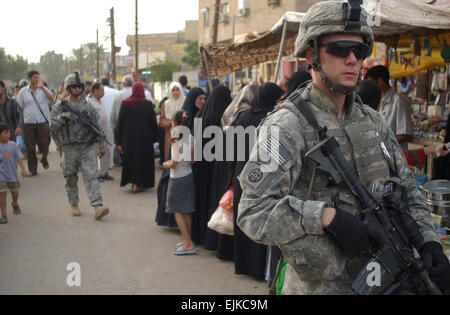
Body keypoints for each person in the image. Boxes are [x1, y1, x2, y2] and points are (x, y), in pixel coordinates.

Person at [237, 0, 449, 295]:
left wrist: (429, 243)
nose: (352, 59)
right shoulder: (287, 126)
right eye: (339, 49)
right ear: (311, 55)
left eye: (360, 50)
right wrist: (325, 217)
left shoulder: (374, 122)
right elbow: (253, 211)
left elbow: (409, 192)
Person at [229, 82, 284, 279]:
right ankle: (260, 268)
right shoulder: (273, 119)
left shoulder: (243, 117)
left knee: (244, 218)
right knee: (260, 218)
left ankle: (243, 265)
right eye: (278, 98)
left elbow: (231, 148)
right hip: (263, 178)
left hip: (241, 173)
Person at [50, 73, 110, 220]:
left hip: (86, 147)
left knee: (91, 176)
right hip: (69, 147)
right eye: (73, 86)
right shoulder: (60, 107)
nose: (76, 89)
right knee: (70, 177)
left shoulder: (87, 105)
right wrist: (62, 118)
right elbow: (52, 127)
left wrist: (101, 144)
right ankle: (74, 204)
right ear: (68, 88)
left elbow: (96, 126)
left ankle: (97, 206)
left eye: (79, 86)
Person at [358, 79, 450, 170]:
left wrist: (430, 150)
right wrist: (429, 150)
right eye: (381, 99)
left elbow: (392, 157)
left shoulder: (357, 127)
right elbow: (392, 159)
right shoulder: (370, 132)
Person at [191, 85, 233, 260]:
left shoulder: (201, 116)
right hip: (219, 168)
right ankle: (215, 238)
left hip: (201, 167)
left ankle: (200, 235)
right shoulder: (227, 118)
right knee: (217, 202)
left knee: (202, 200)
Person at [163, 110, 197, 255]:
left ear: (174, 122)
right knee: (187, 210)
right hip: (188, 175)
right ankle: (187, 240)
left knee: (177, 210)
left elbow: (174, 163)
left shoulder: (176, 139)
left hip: (177, 178)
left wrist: (166, 164)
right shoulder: (191, 138)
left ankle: (188, 243)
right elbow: (193, 160)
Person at [115, 82, 158, 193]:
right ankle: (141, 183)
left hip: (128, 139)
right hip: (145, 139)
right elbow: (153, 123)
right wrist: (155, 138)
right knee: (143, 160)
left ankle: (135, 183)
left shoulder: (125, 104)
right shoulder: (148, 104)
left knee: (132, 161)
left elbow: (120, 124)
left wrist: (118, 142)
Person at [365, 65, 413, 150]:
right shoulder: (376, 99)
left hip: (395, 156)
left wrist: (381, 143)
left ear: (379, 81)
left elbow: (405, 134)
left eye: (371, 83)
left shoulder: (399, 102)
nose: (369, 87)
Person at [17, 71, 53, 176]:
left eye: (38, 77)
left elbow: (52, 99)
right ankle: (33, 170)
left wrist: (42, 88)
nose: (37, 79)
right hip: (29, 122)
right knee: (30, 147)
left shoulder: (44, 89)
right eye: (34, 77)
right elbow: (20, 106)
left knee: (44, 144)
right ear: (29, 79)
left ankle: (44, 159)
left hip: (42, 121)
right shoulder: (23, 92)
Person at [0, 123, 28, 224]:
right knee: (2, 194)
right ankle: (4, 215)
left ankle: (14, 203)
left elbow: (19, 158)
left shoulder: (13, 145)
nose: (8, 135)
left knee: (15, 193)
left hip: (12, 174)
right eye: (5, 133)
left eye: (8, 133)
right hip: (1, 175)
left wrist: (23, 169)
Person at [88, 82, 114, 182]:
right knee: (94, 153)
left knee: (105, 152)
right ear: (95, 91)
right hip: (94, 133)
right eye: (101, 90)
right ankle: (94, 175)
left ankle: (104, 172)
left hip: (104, 132)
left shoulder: (100, 102)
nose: (103, 92)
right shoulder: (90, 102)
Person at [160, 82, 186, 162]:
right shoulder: (166, 104)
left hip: (183, 133)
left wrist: (180, 123)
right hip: (170, 133)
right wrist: (171, 122)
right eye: (173, 90)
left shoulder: (185, 102)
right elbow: (162, 120)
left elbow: (187, 115)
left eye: (177, 89)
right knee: (171, 157)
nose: (175, 92)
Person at [100, 78, 119, 168]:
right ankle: (111, 163)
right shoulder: (116, 92)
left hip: (102, 120)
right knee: (112, 142)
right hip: (113, 120)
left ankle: (102, 164)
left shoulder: (99, 92)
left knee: (102, 143)